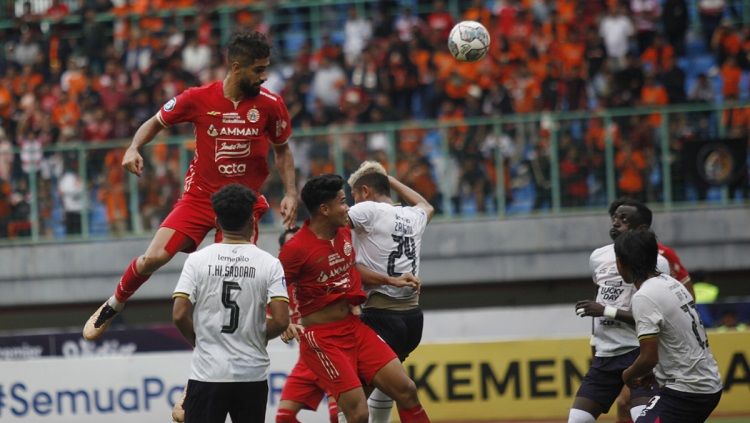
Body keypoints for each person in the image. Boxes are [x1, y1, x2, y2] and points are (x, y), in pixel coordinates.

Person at [83, 30, 298, 340]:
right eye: (258, 69)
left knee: (234, 274)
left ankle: (250, 326)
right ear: (237, 67)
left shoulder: (271, 105)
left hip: (241, 205)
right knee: (153, 257)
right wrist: (133, 147)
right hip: (199, 198)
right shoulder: (198, 98)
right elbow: (155, 121)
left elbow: (282, 149)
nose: (265, 76)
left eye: (266, 68)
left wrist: (290, 191)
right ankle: (114, 304)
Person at [278, 174, 430, 423]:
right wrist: (283, 321)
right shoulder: (296, 249)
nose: (347, 207)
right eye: (341, 201)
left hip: (355, 329)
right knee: (358, 414)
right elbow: (270, 285)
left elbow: (353, 268)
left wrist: (391, 280)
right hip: (324, 339)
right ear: (324, 209)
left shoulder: (344, 235)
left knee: (407, 391)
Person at [171, 184, 290, 422]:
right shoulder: (269, 263)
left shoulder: (197, 261)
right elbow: (281, 320)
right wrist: (257, 336)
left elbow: (179, 314)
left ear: (217, 221)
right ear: (252, 220)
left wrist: (198, 341)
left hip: (207, 373)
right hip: (251, 375)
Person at [569, 199, 671, 423]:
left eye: (624, 218)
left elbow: (652, 317)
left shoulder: (659, 262)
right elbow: (599, 299)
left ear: (642, 228)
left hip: (638, 351)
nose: (616, 222)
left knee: (640, 417)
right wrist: (595, 341)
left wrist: (605, 311)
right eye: (615, 217)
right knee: (577, 420)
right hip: (606, 355)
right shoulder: (598, 257)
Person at [347, 161, 434, 422]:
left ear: (364, 192)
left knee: (353, 398)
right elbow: (427, 205)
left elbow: (332, 219)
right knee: (390, 384)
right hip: (413, 320)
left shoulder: (369, 210)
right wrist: (389, 179)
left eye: (352, 197)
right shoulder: (412, 216)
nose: (350, 204)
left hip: (382, 317)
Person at [616, 229, 723, 423]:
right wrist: (656, 372)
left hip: (687, 390)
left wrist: (627, 375)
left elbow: (648, 357)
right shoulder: (670, 282)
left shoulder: (644, 296)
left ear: (623, 263)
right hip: (705, 383)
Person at [276, 225, 343, 423]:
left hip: (332, 351)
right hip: (307, 358)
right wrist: (281, 325)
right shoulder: (277, 286)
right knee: (284, 418)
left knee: (336, 415)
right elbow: (268, 318)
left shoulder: (324, 271)